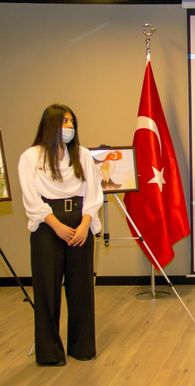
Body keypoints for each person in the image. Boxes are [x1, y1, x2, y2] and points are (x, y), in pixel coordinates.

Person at [18, 104, 103, 366]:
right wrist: (56, 225)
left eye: (71, 122)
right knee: (47, 289)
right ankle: (49, 353)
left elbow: (94, 194)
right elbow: (31, 199)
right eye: (65, 122)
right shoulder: (31, 157)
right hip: (47, 225)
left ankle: (82, 347)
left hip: (80, 222)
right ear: (51, 125)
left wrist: (84, 224)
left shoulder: (83, 155)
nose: (70, 127)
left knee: (81, 288)